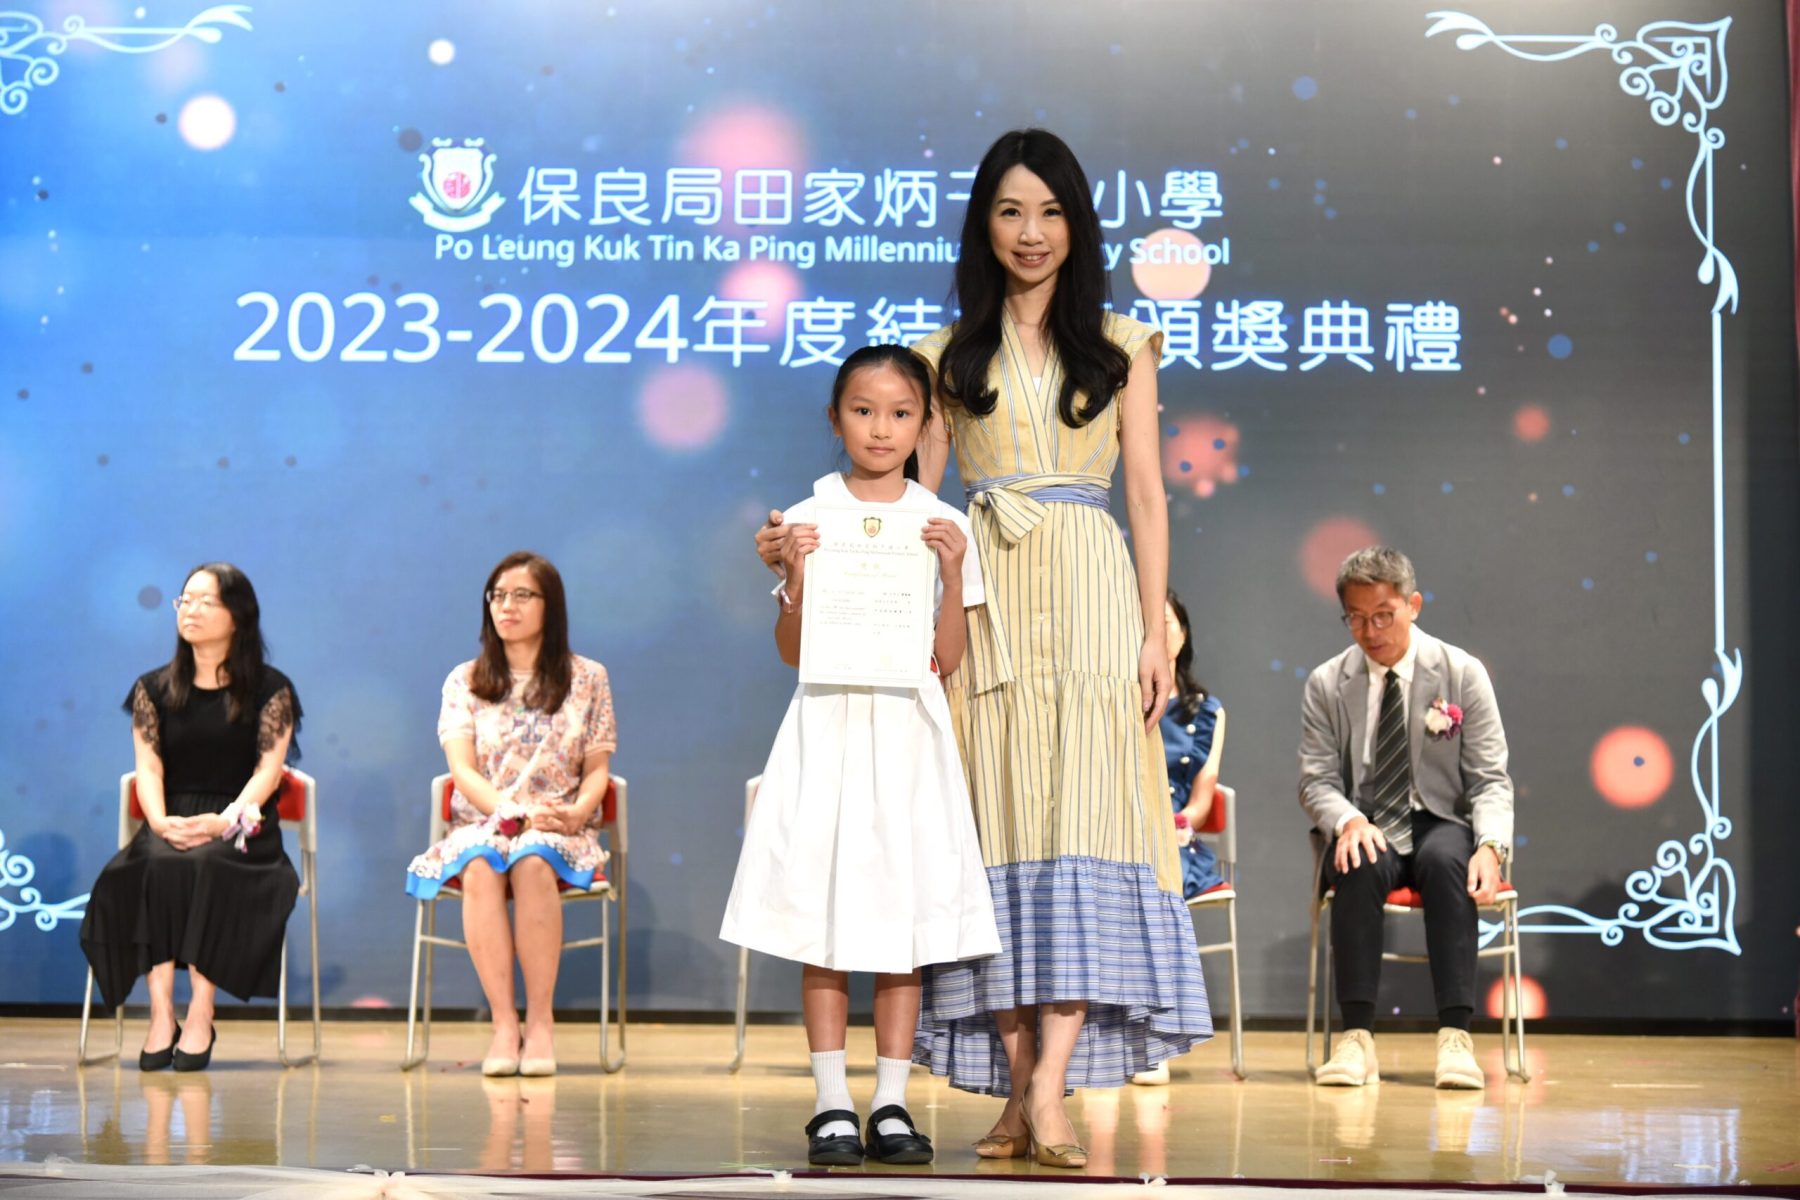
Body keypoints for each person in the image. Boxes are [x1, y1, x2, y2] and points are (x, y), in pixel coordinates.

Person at [763, 129, 1210, 1167]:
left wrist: (1154, 631)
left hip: (1092, 594)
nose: (1031, 232)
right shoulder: (943, 356)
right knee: (993, 832)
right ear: (984, 225)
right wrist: (804, 552)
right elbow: (902, 500)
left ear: (1077, 224)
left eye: (1049, 212)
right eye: (1011, 211)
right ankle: (1018, 1090)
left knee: (1088, 820)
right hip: (987, 598)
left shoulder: (1124, 343)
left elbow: (1148, 495)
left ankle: (1050, 1090)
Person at [722, 344, 1001, 1167]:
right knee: (827, 916)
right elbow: (790, 652)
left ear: (925, 424)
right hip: (830, 726)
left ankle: (891, 1103)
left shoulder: (943, 524)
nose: (882, 429)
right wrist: (795, 576)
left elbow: (948, 659)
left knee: (900, 924)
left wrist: (952, 571)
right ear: (836, 417)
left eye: (901, 413)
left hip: (909, 735)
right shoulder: (808, 518)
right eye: (864, 411)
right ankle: (831, 1104)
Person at [1299, 546, 1514, 1089]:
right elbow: (1316, 781)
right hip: (1369, 820)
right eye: (1356, 618)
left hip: (1439, 819)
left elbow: (1490, 779)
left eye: (1383, 616)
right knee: (1357, 860)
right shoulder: (1327, 682)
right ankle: (1356, 1039)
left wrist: (1491, 846)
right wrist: (1347, 821)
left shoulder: (1462, 673)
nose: (1370, 632)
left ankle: (1456, 1038)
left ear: (1412, 605)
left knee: (1447, 864)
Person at [79, 562, 302, 1072]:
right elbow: (148, 768)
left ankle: (202, 1010)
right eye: (185, 600)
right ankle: (161, 1013)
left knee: (207, 865)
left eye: (207, 601)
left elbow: (269, 772)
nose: (191, 611)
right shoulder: (153, 688)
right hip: (171, 818)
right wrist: (158, 822)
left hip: (242, 827)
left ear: (238, 615)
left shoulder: (271, 689)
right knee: (151, 865)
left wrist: (223, 821)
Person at [405, 552, 617, 1080]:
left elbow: (598, 769)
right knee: (481, 863)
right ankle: (504, 1024)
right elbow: (461, 769)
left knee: (532, 860)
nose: (507, 606)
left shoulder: (588, 678)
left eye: (522, 595)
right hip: (485, 822)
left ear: (551, 605)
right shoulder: (465, 680)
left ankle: (540, 1023)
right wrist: (507, 813)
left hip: (558, 825)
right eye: (498, 595)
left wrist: (576, 813)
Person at [1131, 590, 1227, 1087]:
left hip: (1176, 836)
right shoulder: (1120, 698)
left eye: (1166, 622)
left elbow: (1203, 800)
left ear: (1183, 635)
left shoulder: (1206, 711)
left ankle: (1156, 1037)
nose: (1157, 630)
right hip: (1126, 831)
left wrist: (1178, 822)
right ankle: (1116, 1033)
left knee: (1159, 883)